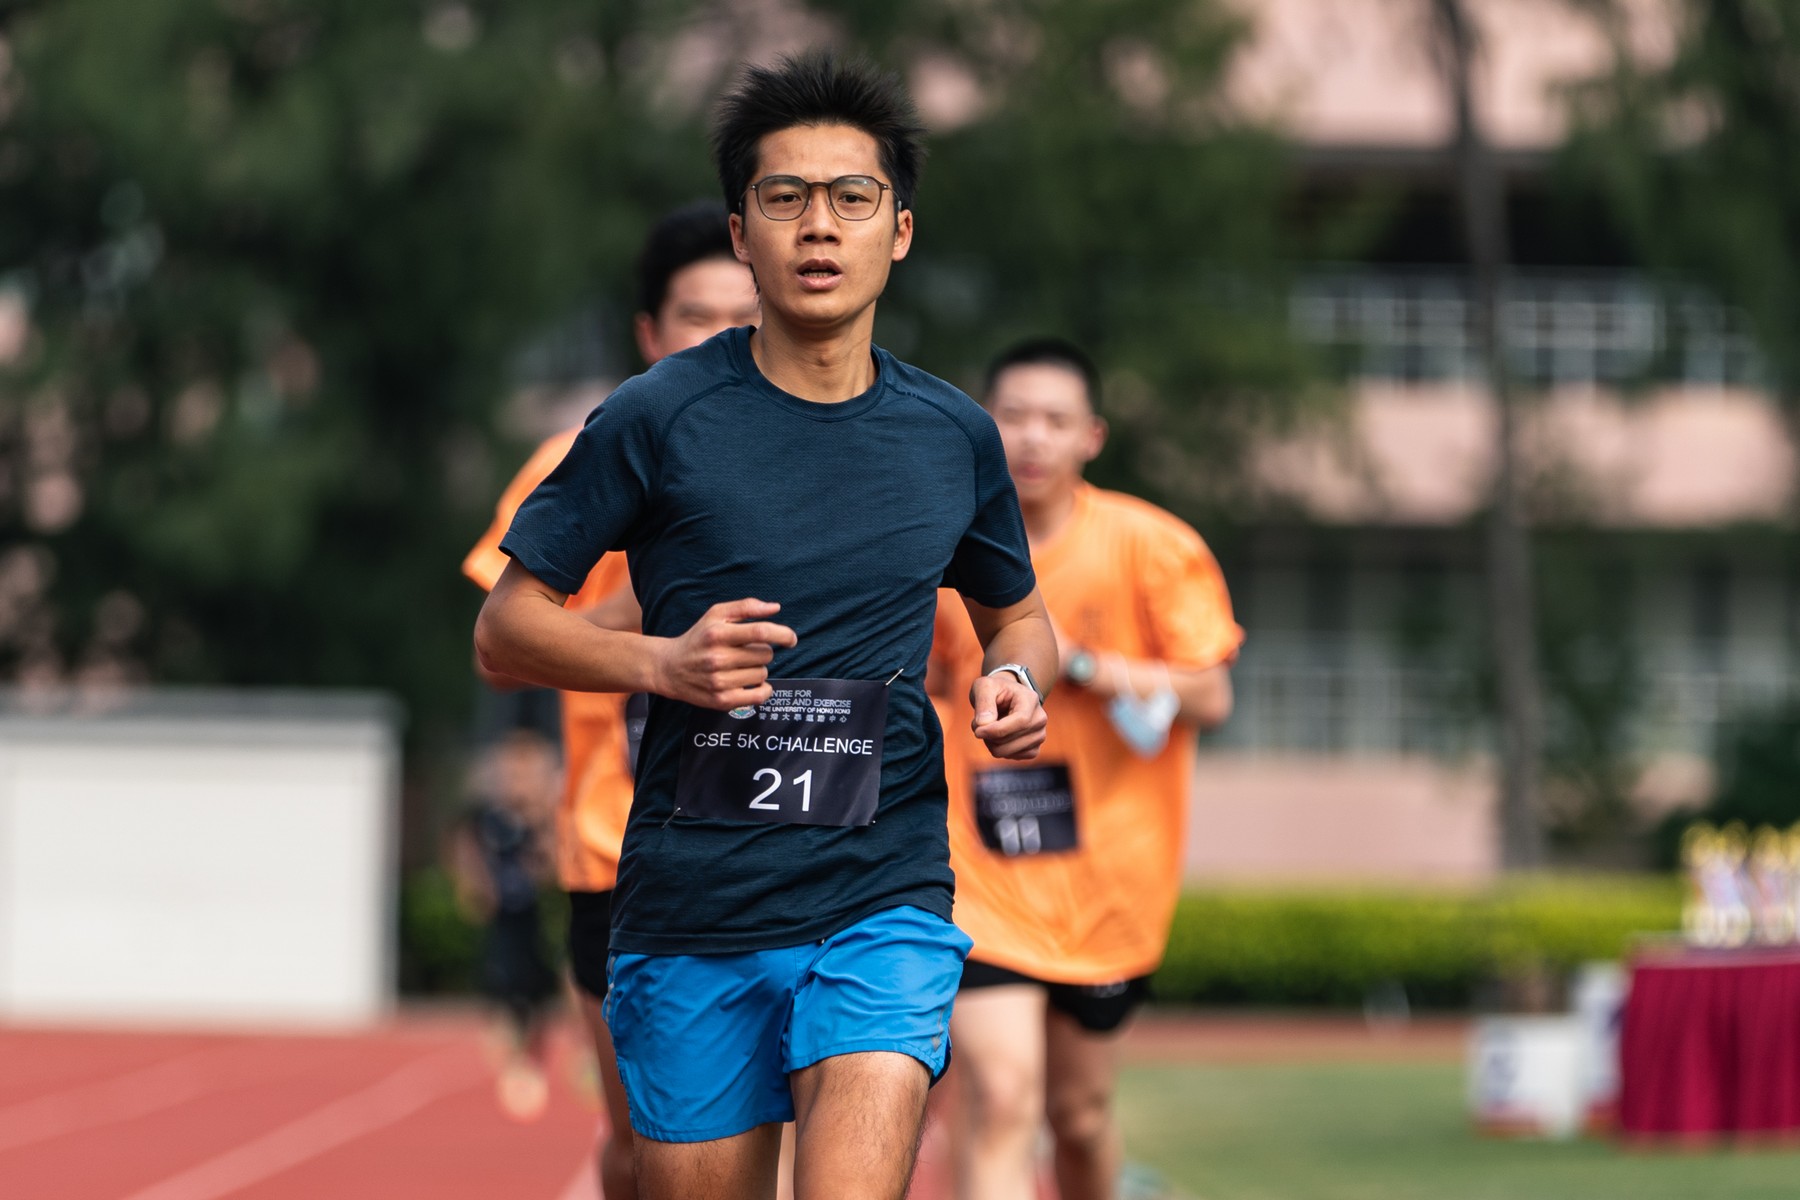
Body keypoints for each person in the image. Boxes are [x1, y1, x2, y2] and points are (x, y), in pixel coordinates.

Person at [474, 51, 1058, 1200]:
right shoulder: (655, 418)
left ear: (899, 230)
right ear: (743, 233)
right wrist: (663, 663)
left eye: (853, 197)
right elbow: (506, 630)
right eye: (785, 198)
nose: (819, 226)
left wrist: (1017, 679)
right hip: (695, 906)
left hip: (882, 890)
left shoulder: (952, 436)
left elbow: (1020, 616)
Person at [462, 201, 759, 1196]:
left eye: (741, 316)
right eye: (695, 317)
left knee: (773, 1147)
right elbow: (500, 653)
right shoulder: (574, 462)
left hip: (793, 840)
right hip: (624, 852)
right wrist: (639, 618)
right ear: (649, 333)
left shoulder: (835, 457)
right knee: (646, 1151)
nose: (719, 339)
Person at [928, 339, 1242, 1200]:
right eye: (1013, 416)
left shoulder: (1152, 546)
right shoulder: (940, 542)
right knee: (1001, 1096)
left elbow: (1211, 694)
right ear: (982, 427)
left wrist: (1084, 665)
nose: (1033, 436)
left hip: (1109, 880)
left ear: (1091, 436)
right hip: (979, 874)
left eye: (1055, 420)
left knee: (1078, 1115)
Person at [445, 727, 562, 1121]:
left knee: (539, 992)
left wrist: (541, 823)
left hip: (535, 914)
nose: (517, 781)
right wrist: (473, 884)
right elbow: (463, 845)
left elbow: (552, 861)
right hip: (502, 916)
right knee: (502, 984)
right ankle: (513, 1058)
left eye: (525, 773)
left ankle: (531, 1055)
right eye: (512, 773)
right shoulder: (487, 818)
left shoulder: (538, 820)